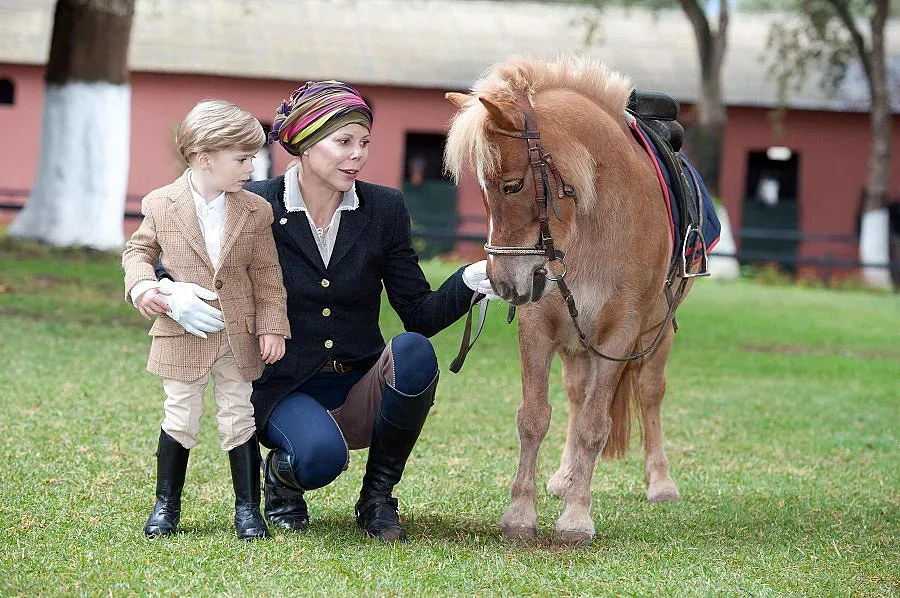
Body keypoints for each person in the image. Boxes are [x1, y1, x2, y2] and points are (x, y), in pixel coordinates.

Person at [158, 81, 496, 542]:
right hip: (282, 387)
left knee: (414, 351)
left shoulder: (385, 208)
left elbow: (418, 313)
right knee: (319, 460)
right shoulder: (252, 202)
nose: (357, 155)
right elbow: (174, 251)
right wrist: (164, 289)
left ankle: (377, 497)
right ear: (304, 143)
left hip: (358, 382)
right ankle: (282, 479)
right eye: (343, 142)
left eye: (364, 143)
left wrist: (471, 280)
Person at [122, 99, 291, 541]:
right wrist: (146, 287)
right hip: (182, 332)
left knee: (240, 415)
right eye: (242, 158)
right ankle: (166, 506)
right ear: (204, 159)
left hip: (238, 335)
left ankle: (248, 510)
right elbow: (138, 251)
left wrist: (273, 325)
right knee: (181, 415)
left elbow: (267, 273)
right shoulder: (162, 203)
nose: (251, 167)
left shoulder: (255, 210)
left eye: (253, 157)